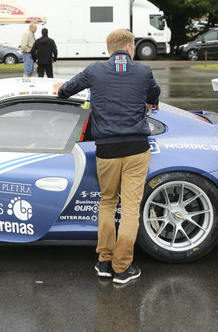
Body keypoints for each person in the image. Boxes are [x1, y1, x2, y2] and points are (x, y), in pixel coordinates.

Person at [53, 29, 160, 284]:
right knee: (131, 208)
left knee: (108, 202)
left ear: (110, 49)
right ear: (130, 47)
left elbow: (65, 91)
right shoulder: (143, 71)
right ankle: (122, 268)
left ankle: (104, 261)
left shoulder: (95, 70)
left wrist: (59, 88)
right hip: (136, 148)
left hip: (107, 150)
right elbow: (153, 97)